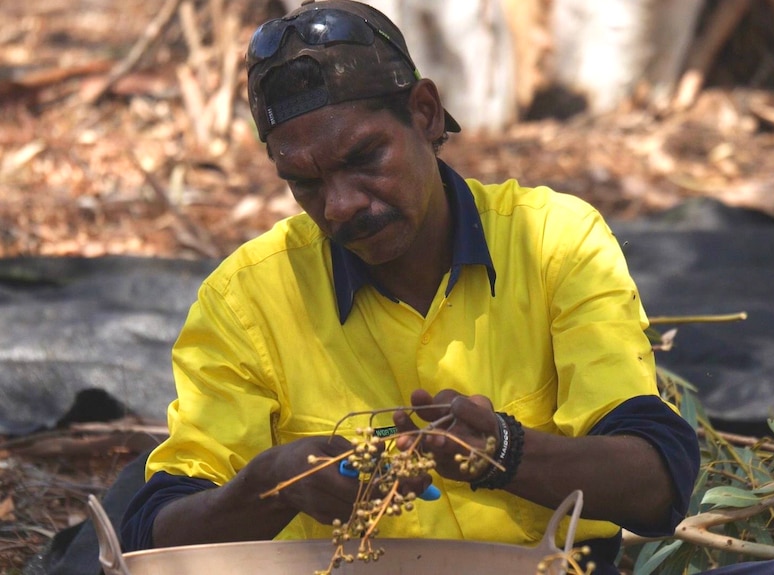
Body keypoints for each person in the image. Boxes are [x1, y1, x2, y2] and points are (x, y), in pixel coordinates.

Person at [120, 1, 700, 572]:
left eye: (365, 158)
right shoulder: (246, 300)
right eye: (304, 183)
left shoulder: (554, 242)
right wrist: (274, 485)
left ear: (425, 113)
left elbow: (657, 481)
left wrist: (505, 450)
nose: (342, 205)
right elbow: (153, 534)